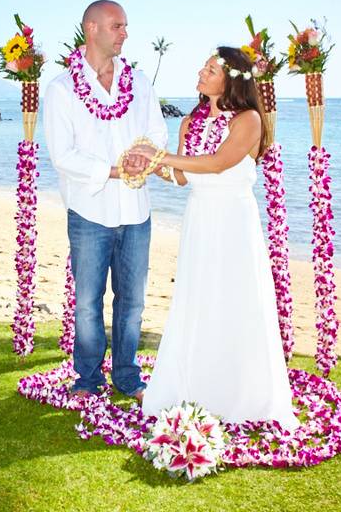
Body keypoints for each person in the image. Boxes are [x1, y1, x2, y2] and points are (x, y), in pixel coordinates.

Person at [134, 46, 299, 430]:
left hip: (234, 223)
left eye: (210, 69)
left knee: (235, 299)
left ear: (232, 79)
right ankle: (193, 385)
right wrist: (151, 166)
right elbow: (182, 177)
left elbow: (219, 163)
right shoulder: (190, 122)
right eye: (204, 67)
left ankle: (239, 393)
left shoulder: (249, 120)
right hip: (200, 220)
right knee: (198, 298)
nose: (201, 72)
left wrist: (159, 156)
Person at [43, 0, 168, 400]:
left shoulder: (140, 81)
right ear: (92, 28)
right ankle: (88, 377)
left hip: (136, 211)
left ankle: (128, 376)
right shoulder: (61, 89)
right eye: (118, 25)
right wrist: (117, 170)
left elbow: (158, 133)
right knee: (86, 303)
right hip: (90, 210)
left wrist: (143, 155)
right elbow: (62, 155)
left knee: (131, 303)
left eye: (126, 26)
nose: (125, 33)